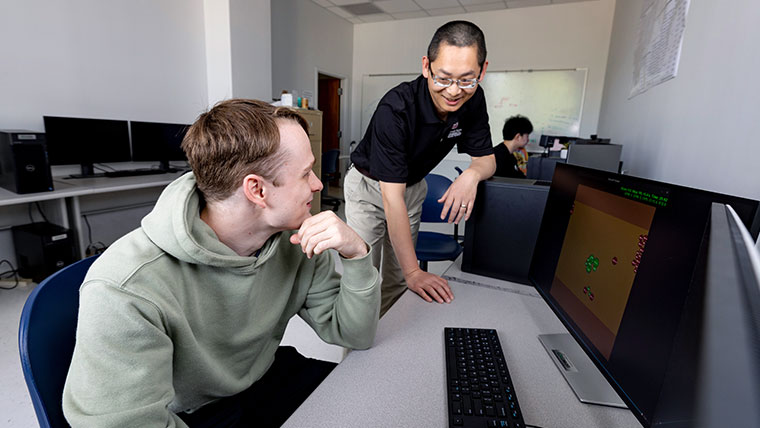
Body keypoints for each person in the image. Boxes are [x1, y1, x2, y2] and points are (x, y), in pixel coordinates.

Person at [62, 99, 381, 428]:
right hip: (193, 413)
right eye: (305, 174)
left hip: (265, 378)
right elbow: (119, 422)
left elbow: (355, 335)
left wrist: (355, 255)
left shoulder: (295, 239)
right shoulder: (126, 286)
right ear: (256, 189)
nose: (317, 184)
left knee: (371, 406)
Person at [346, 20, 496, 316]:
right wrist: (416, 271)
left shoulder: (473, 98)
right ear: (426, 66)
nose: (454, 91)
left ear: (482, 70)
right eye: (443, 78)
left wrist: (472, 174)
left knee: (399, 280)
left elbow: (487, 159)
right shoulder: (396, 108)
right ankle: (356, 356)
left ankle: (389, 347)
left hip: (412, 187)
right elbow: (391, 198)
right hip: (370, 189)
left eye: (467, 79)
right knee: (364, 281)